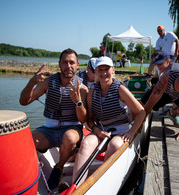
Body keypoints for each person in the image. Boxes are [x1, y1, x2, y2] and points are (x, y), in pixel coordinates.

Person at [19, 48, 88, 189]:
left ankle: (59, 167)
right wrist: (31, 83)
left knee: (69, 138)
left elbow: (84, 120)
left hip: (72, 129)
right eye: (65, 62)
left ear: (77, 65)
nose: (68, 66)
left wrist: (78, 102)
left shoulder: (82, 89)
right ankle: (29, 174)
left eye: (71, 63)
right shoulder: (49, 83)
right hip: (48, 130)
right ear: (59, 64)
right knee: (28, 141)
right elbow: (24, 102)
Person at [72, 56, 146, 187]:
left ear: (113, 70)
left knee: (115, 145)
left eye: (106, 69)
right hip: (101, 131)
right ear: (95, 72)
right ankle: (76, 187)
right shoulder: (92, 92)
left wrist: (132, 131)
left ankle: (100, 184)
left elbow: (141, 112)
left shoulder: (120, 89)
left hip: (121, 131)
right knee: (86, 143)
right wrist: (97, 131)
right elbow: (89, 120)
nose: (103, 73)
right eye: (100, 70)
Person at [142, 53, 179, 128]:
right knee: (145, 99)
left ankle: (173, 113)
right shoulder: (161, 68)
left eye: (160, 64)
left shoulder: (173, 71)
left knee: (148, 101)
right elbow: (155, 79)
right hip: (169, 92)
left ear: (168, 61)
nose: (158, 66)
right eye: (156, 64)